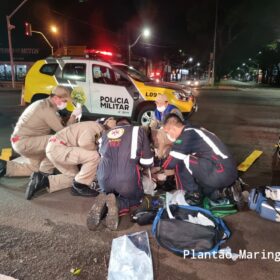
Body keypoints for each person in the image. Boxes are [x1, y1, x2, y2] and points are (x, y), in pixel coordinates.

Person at [87, 118, 153, 231]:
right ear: (129, 124)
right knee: (136, 198)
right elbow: (147, 161)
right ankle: (118, 204)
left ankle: (103, 205)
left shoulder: (105, 133)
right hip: (126, 180)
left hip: (103, 178)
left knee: (108, 192)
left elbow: (101, 154)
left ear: (117, 125)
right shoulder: (138, 130)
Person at [0, 86, 81, 178]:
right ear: (55, 98)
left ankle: (5, 167)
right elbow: (64, 133)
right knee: (58, 142)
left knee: (34, 168)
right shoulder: (46, 110)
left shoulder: (45, 104)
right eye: (65, 101)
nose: (65, 104)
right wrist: (73, 116)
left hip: (24, 142)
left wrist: (72, 117)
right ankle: (45, 172)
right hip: (25, 142)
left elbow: (62, 127)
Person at [162, 113, 242, 206]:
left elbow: (171, 163)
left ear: (173, 129)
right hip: (227, 171)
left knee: (181, 160)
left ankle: (193, 196)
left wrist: (157, 168)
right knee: (205, 190)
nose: (167, 135)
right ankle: (226, 191)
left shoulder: (186, 135)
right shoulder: (194, 129)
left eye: (167, 132)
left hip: (221, 171)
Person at [25, 121, 106, 200]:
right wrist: (97, 149)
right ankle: (80, 185)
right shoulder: (98, 128)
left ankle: (43, 181)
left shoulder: (91, 125)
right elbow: (84, 143)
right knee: (95, 155)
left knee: (76, 177)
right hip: (59, 149)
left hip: (54, 148)